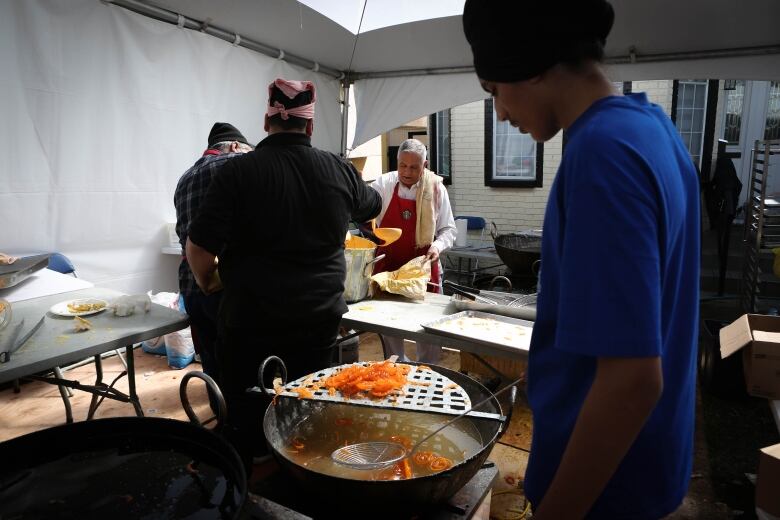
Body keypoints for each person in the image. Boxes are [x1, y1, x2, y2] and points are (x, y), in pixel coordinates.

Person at [463, 1, 699, 519]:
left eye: (494, 90)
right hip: (643, 469)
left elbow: (633, 380)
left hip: (604, 492)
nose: (500, 112)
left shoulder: (603, 153)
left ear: (528, 64)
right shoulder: (653, 129)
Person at [186, 78, 382, 472]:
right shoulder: (338, 169)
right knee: (309, 412)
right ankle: (309, 478)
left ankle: (248, 486)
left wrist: (209, 283)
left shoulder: (236, 174)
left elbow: (198, 249)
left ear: (265, 121)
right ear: (310, 126)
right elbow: (372, 205)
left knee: (247, 418)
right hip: (317, 324)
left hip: (250, 326)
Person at [174, 122, 253, 392]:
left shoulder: (184, 178)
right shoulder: (236, 166)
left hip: (192, 286)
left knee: (212, 361)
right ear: (234, 146)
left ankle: (220, 419)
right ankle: (244, 424)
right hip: (228, 284)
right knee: (245, 365)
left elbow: (182, 234)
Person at [370, 139, 456, 365]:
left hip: (424, 268)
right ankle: (396, 367)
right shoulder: (383, 184)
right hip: (388, 268)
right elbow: (366, 217)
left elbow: (448, 229)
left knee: (428, 328)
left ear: (425, 165)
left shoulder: (436, 188)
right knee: (389, 326)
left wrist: (437, 246)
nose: (407, 172)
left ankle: (428, 371)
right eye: (402, 165)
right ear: (396, 162)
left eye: (414, 167)